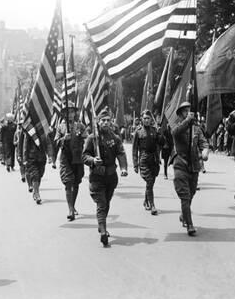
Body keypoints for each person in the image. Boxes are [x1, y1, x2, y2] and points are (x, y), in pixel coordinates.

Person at [82, 108, 128, 247]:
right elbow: (84, 156)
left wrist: (124, 168)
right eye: (103, 120)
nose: (106, 123)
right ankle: (103, 231)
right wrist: (93, 160)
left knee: (106, 202)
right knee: (101, 204)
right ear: (98, 122)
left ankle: (101, 224)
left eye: (108, 120)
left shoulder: (115, 138)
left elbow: (120, 154)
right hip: (97, 177)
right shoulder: (92, 138)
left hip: (111, 177)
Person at [171, 101, 209, 236]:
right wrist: (187, 121)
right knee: (185, 196)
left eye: (189, 110)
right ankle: (190, 224)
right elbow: (175, 133)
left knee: (191, 193)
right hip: (180, 163)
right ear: (181, 113)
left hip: (193, 165)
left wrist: (205, 150)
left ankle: (184, 214)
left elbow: (203, 142)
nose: (189, 113)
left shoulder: (197, 129)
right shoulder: (177, 125)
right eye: (185, 111)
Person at [55, 102, 88, 221]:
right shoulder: (61, 127)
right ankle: (70, 210)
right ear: (64, 114)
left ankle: (73, 205)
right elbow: (56, 142)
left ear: (75, 113)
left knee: (76, 182)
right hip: (66, 158)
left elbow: (86, 138)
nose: (70, 114)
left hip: (78, 158)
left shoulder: (80, 125)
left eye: (72, 112)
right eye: (68, 112)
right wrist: (64, 138)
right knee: (68, 183)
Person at [132, 110, 164, 215]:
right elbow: (134, 149)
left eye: (148, 118)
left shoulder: (155, 130)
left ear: (151, 120)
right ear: (142, 119)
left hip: (154, 159)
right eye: (144, 118)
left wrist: (160, 134)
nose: (146, 120)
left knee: (151, 183)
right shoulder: (138, 131)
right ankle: (153, 205)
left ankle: (146, 200)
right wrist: (135, 164)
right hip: (144, 159)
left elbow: (161, 143)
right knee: (149, 181)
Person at [22, 131, 48, 204]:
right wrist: (25, 158)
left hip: (42, 158)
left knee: (40, 175)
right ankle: (37, 194)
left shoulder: (43, 130)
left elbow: (48, 143)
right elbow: (25, 146)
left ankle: (35, 191)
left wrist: (50, 155)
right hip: (32, 158)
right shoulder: (29, 131)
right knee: (35, 176)